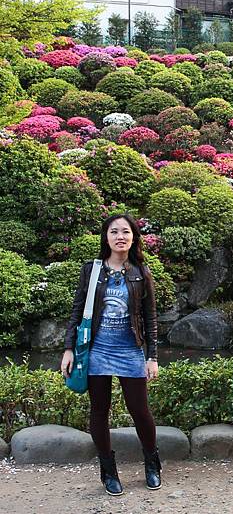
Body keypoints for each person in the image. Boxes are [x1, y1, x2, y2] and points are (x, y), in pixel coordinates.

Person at [61, 213, 161, 496]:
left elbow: (150, 318)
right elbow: (77, 311)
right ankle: (108, 470)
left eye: (126, 232)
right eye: (114, 231)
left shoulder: (141, 272)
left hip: (130, 350)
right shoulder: (91, 271)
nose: (120, 236)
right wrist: (69, 348)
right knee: (99, 412)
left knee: (140, 411)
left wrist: (151, 357)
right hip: (97, 351)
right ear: (106, 237)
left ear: (133, 238)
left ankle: (152, 463)